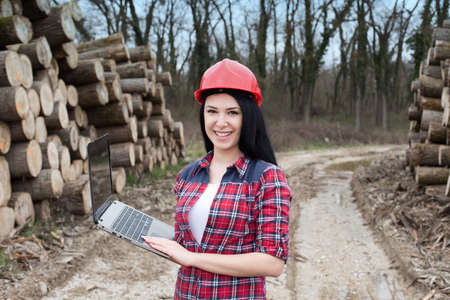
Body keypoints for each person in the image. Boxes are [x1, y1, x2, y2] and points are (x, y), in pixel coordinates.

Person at [143, 58, 291, 300]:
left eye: (232, 112)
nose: (220, 123)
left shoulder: (267, 178)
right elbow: (191, 241)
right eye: (212, 111)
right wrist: (154, 238)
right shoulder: (189, 174)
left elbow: (272, 262)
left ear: (248, 117)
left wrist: (193, 258)